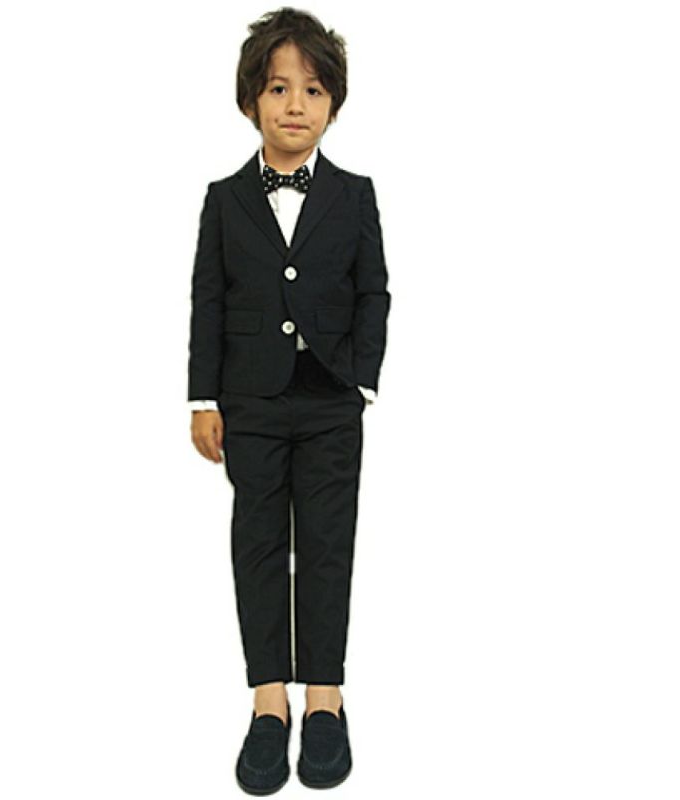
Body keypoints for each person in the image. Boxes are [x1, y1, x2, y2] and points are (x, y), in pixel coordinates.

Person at [187, 7, 390, 793]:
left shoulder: (355, 195)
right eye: (278, 88)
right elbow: (208, 301)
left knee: (329, 544)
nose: (294, 104)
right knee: (259, 545)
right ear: (251, 101)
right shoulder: (224, 199)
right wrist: (204, 397)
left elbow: (373, 291)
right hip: (251, 401)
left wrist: (361, 378)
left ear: (333, 103)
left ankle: (325, 700)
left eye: (311, 89)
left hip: (332, 398)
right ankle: (269, 702)